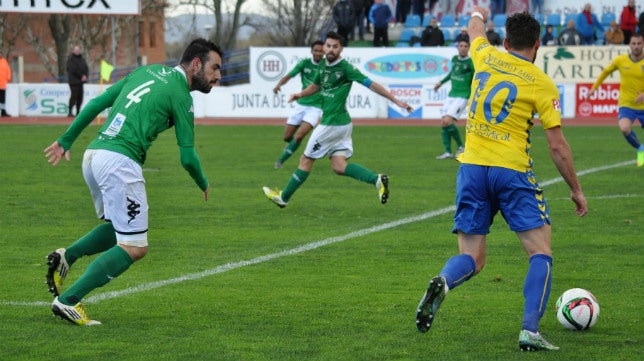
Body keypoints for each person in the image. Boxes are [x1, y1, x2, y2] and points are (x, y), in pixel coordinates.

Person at [415, 7, 588, 352]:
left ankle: (444, 282)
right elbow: (557, 146)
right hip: (511, 171)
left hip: (471, 168)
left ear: (505, 41)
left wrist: (479, 10)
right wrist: (576, 189)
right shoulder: (541, 82)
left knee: (473, 258)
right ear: (538, 44)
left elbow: (476, 27)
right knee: (540, 252)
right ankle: (529, 331)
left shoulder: (485, 54)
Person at [43, 38, 223, 325]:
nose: (218, 77)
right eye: (215, 68)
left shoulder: (147, 71)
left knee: (118, 229)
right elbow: (188, 158)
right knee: (136, 246)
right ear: (197, 64)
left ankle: (68, 256)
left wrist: (66, 140)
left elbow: (99, 102)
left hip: (94, 155)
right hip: (120, 163)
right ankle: (68, 301)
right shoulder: (182, 96)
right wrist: (203, 182)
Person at [262, 31, 413, 209]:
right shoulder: (323, 65)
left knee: (305, 159)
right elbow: (315, 86)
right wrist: (300, 94)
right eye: (328, 46)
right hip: (342, 125)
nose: (331, 49)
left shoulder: (346, 68)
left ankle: (284, 198)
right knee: (339, 166)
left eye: (335, 46)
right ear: (324, 46)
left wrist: (395, 100)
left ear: (341, 48)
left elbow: (370, 84)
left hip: (331, 125)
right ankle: (377, 180)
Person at [587, 33, 644, 167]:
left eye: (639, 44)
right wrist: (594, 88)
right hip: (627, 104)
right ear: (629, 45)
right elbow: (605, 72)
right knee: (624, 128)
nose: (636, 46)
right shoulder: (620, 60)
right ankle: (641, 148)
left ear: (643, 45)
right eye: (634, 44)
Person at [272, 41, 324, 169]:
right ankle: (292, 146)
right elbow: (290, 75)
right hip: (301, 105)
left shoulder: (326, 66)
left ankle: (280, 161)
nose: (318, 53)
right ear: (311, 51)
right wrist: (279, 84)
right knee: (287, 137)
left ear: (324, 52)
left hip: (316, 107)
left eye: (320, 51)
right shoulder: (304, 63)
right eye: (316, 50)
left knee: (299, 136)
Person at [432, 39, 473, 160]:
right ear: (458, 47)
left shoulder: (471, 62)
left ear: (469, 48)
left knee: (447, 121)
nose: (463, 48)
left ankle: (461, 147)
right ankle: (448, 152)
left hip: (462, 95)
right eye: (461, 45)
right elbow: (452, 73)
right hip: (452, 94)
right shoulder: (454, 59)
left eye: (466, 46)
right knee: (443, 123)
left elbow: (477, 76)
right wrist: (441, 82)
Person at [66, 45, 89, 117]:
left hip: (80, 82)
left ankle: (78, 111)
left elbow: (86, 68)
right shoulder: (70, 59)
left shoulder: (82, 59)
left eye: (78, 50)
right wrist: (81, 76)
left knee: (80, 97)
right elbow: (72, 70)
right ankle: (70, 111)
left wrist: (85, 75)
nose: (77, 51)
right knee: (74, 96)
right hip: (73, 82)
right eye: (76, 50)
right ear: (73, 51)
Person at [0, 50, 11, 117]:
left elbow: (8, 70)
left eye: (1, 53)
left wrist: (8, 78)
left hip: (3, 84)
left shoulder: (4, 61)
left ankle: (3, 112)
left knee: (2, 99)